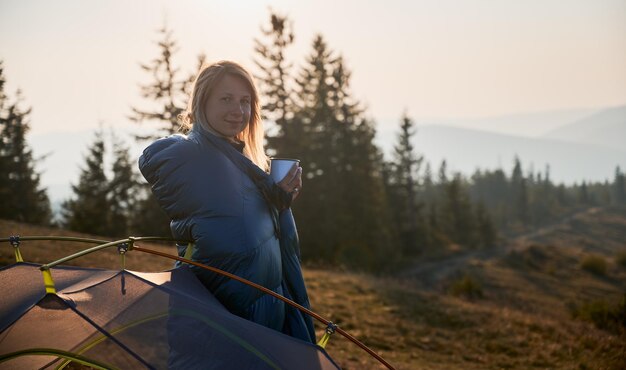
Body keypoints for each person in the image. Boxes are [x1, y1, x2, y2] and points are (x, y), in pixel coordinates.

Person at [138, 61, 315, 345]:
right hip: (223, 325)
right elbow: (227, 230)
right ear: (201, 102)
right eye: (226, 99)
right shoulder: (197, 158)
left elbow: (242, 223)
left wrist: (277, 199)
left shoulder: (240, 164)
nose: (238, 110)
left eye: (245, 101)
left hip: (264, 316)